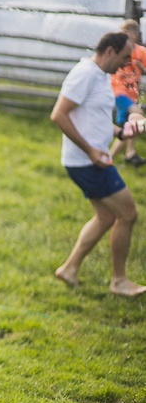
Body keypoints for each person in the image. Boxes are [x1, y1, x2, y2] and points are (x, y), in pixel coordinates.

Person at [50, 31, 146, 297]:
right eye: (125, 57)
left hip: (91, 160)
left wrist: (121, 132)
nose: (127, 64)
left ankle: (69, 269)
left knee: (106, 217)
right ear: (109, 51)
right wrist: (91, 150)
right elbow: (58, 114)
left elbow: (94, 116)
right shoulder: (85, 74)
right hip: (88, 162)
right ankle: (119, 281)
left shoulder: (101, 76)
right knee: (128, 214)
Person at [109, 19, 146, 166]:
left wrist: (141, 69)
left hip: (132, 93)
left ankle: (111, 159)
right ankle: (130, 153)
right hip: (118, 91)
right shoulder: (117, 49)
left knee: (128, 128)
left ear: (136, 35)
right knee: (137, 114)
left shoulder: (142, 52)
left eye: (130, 33)